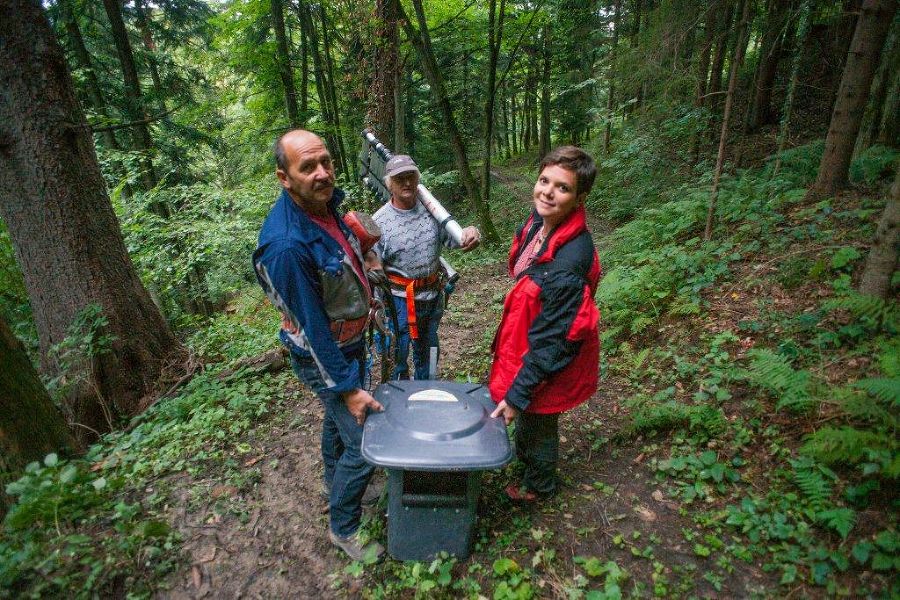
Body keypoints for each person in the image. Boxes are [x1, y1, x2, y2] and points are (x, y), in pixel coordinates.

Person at [252, 129, 384, 561]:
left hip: (350, 342)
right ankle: (344, 527)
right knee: (365, 444)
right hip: (323, 356)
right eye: (307, 167)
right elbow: (311, 329)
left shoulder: (326, 205)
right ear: (284, 177)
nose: (322, 173)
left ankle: (334, 480)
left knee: (336, 424)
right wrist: (348, 389)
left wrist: (366, 259)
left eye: (325, 161)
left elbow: (344, 260)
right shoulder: (286, 245)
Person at [489, 146, 602, 503]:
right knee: (529, 412)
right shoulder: (540, 220)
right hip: (534, 334)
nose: (548, 192)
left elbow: (553, 343)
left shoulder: (568, 264)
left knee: (538, 415)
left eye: (562, 187)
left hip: (551, 350)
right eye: (544, 181)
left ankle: (539, 486)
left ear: (579, 198)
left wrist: (517, 394)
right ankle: (527, 465)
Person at [372, 154, 480, 380]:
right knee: (398, 353)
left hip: (431, 297)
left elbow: (455, 240)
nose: (407, 183)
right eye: (400, 178)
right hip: (398, 301)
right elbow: (373, 271)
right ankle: (398, 395)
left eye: (411, 176)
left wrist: (470, 232)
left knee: (429, 350)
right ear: (389, 184)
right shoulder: (379, 222)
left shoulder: (432, 210)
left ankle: (427, 390)